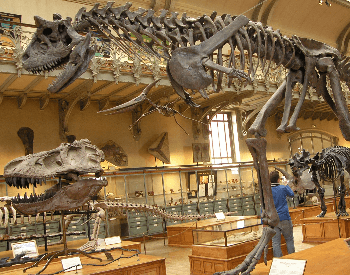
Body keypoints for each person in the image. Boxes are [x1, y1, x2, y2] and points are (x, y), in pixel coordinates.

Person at [270, 170, 295, 257]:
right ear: (278, 180)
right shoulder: (283, 188)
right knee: (289, 240)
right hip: (284, 217)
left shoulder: (267, 190)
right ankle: (293, 258)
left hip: (273, 219)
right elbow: (292, 194)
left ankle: (278, 261)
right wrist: (286, 184)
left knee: (275, 242)